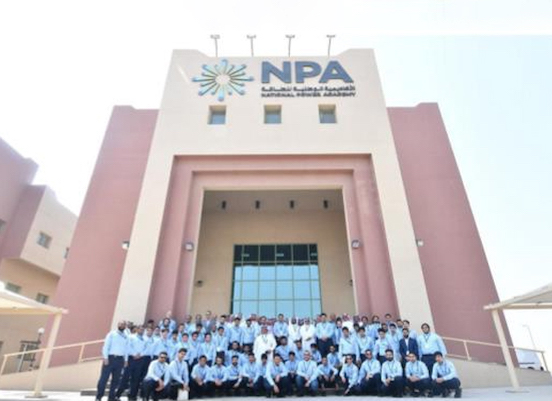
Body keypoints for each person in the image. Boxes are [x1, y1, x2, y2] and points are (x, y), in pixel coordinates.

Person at [96, 321, 129, 401]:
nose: (122, 325)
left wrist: (126, 360)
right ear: (118, 325)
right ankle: (99, 397)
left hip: (120, 360)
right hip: (110, 359)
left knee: (116, 380)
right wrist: (105, 357)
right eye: (120, 324)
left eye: (124, 324)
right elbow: (106, 346)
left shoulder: (126, 336)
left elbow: (127, 349)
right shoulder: (112, 334)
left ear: (125, 326)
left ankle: (111, 397)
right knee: (104, 379)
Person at [117, 325, 146, 400]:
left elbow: (146, 349)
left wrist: (140, 354)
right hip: (131, 359)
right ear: (137, 329)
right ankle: (117, 395)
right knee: (125, 378)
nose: (141, 331)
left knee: (136, 379)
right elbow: (128, 347)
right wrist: (133, 355)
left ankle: (132, 396)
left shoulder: (145, 339)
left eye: (143, 330)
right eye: (140, 329)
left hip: (140, 360)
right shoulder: (131, 337)